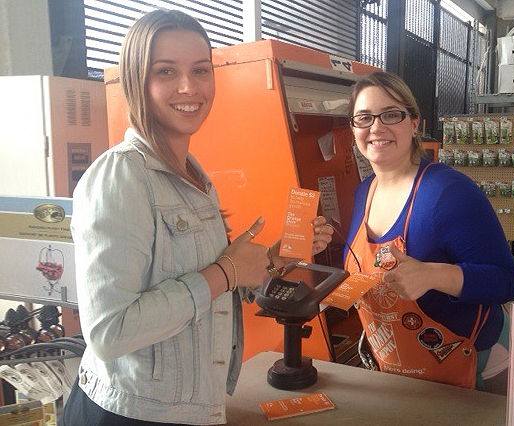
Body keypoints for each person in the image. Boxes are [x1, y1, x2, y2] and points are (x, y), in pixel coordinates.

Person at [60, 9, 332, 425]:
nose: (189, 87)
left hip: (190, 408)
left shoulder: (192, 175)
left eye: (201, 70)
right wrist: (225, 272)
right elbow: (109, 332)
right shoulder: (120, 176)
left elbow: (206, 284)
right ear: (137, 80)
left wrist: (271, 259)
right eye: (166, 71)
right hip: (130, 414)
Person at [345, 71, 514, 394]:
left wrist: (433, 276)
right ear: (353, 128)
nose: (376, 127)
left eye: (391, 115)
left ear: (414, 123)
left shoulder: (448, 191)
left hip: (472, 367)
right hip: (397, 367)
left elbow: (507, 281)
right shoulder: (362, 193)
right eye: (364, 117)